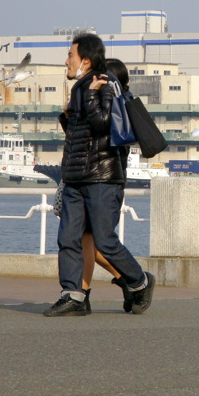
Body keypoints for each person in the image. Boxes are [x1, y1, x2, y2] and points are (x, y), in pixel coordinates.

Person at [43, 34, 154, 317]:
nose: (66, 61)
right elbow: (83, 136)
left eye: (70, 55)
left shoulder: (103, 84)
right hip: (77, 176)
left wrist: (92, 96)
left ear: (86, 60)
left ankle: (139, 281)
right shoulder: (81, 87)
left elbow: (106, 125)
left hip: (102, 177)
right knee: (69, 238)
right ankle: (74, 295)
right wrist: (67, 117)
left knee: (104, 240)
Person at [79, 58, 135, 313]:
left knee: (94, 240)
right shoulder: (108, 102)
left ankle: (132, 279)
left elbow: (101, 132)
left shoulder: (115, 105)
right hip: (84, 176)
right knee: (85, 240)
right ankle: (124, 279)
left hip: (100, 179)